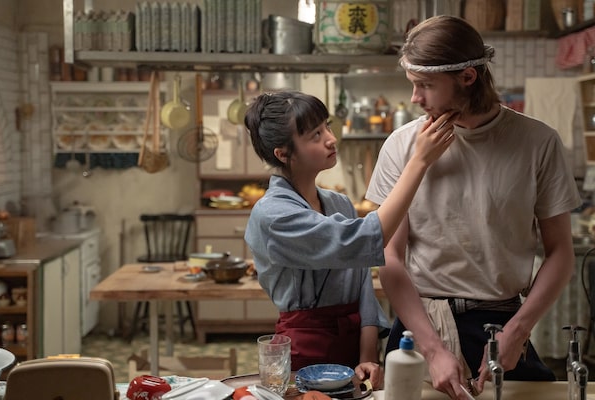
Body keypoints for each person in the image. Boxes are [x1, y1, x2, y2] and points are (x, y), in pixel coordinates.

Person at [366, 14, 582, 398]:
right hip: (420, 325)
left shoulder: (537, 142)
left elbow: (561, 252)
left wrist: (518, 330)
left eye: (425, 85)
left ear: (467, 77)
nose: (415, 98)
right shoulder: (401, 146)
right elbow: (390, 257)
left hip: (501, 324)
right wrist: (433, 349)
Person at [243, 90, 456, 389]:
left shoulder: (339, 204)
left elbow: (362, 286)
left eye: (327, 127)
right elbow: (365, 240)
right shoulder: (273, 214)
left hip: (354, 346)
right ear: (283, 154)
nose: (331, 139)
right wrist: (418, 161)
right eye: (315, 135)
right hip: (306, 349)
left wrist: (368, 357)